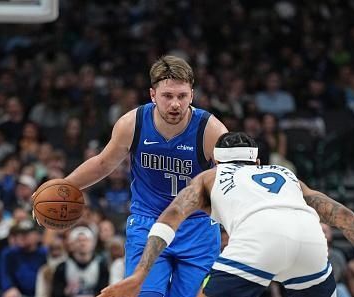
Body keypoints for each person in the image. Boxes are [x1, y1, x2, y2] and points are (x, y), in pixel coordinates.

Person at [100, 132, 354, 297]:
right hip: (311, 242)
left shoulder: (210, 176)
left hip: (260, 239)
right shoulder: (285, 174)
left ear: (218, 160)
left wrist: (139, 275)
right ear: (257, 161)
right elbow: (346, 217)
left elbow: (170, 216)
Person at [51, 55, 228, 297]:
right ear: (153, 95)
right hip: (148, 222)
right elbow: (103, 164)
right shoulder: (132, 123)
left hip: (197, 226)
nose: (175, 104)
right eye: (167, 96)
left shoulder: (211, 130)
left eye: (182, 96)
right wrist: (63, 187)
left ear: (192, 95)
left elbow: (232, 182)